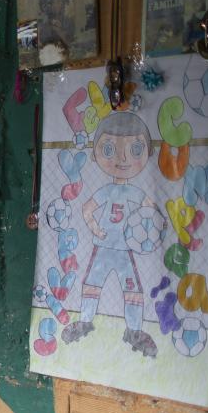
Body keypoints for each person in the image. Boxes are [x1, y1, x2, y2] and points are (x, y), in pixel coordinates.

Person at [63, 111, 158, 357]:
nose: (123, 158)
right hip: (103, 247)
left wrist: (154, 228)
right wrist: (96, 228)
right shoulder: (106, 190)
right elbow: (87, 209)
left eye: (135, 150)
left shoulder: (135, 192)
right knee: (92, 284)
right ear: (97, 154)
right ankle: (84, 322)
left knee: (133, 290)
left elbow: (151, 208)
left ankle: (134, 331)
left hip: (125, 250)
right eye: (109, 150)